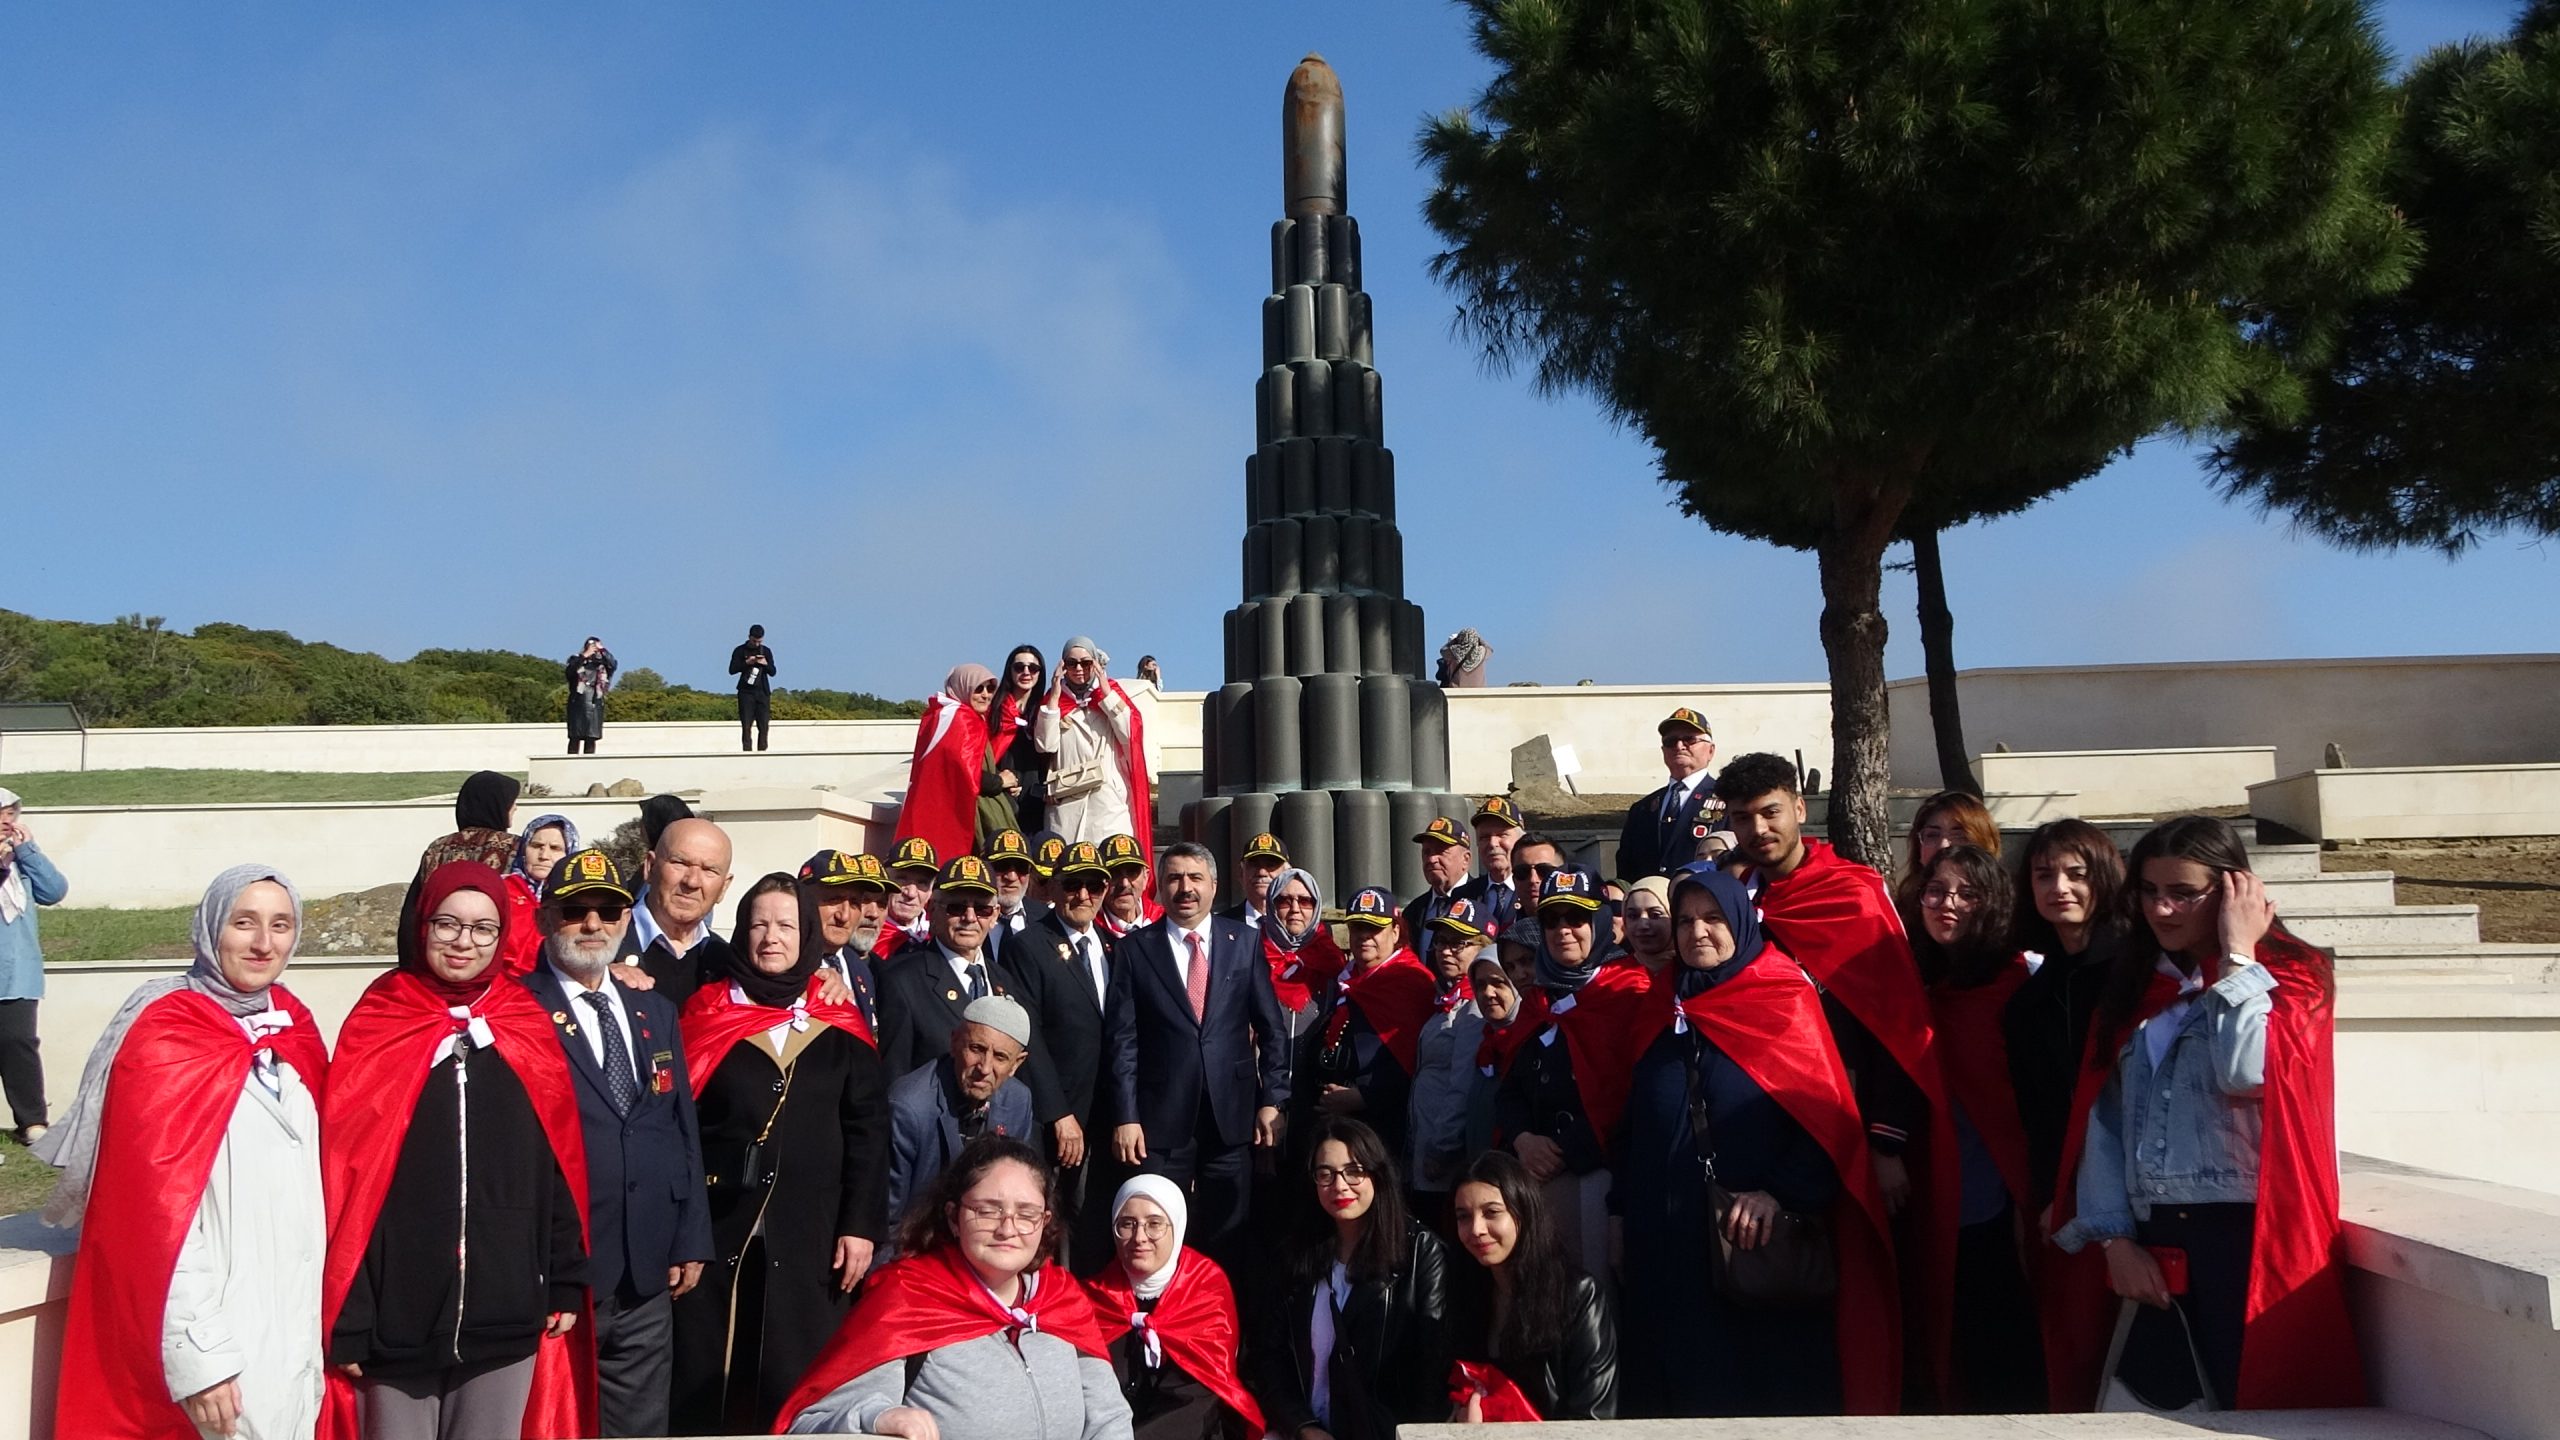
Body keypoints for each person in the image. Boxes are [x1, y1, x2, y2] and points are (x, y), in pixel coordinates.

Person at [2053, 816, 2363, 1412]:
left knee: (2258, 1404)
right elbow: (2105, 1121)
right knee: (2156, 1410)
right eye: (2149, 891)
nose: (2161, 909)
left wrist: (2238, 956)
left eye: (2183, 893)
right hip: (2153, 1235)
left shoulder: (2294, 976)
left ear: (2230, 891)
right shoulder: (2139, 985)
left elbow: (2246, 1071)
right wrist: (2114, 1238)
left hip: (2247, 1235)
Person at [35, 864, 327, 1440]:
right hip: (218, 1350)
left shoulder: (292, 1027)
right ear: (211, 927)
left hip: (293, 1335)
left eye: (281, 925)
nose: (264, 943)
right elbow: (151, 1217)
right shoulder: (167, 1033)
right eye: (244, 923)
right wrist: (201, 1357)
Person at [1614, 864, 1897, 1418]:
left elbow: (1829, 1119)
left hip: (1748, 1248)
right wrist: (1618, 1212)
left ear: (1741, 922)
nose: (1697, 931)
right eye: (1686, 920)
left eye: (1714, 918)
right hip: (1665, 1248)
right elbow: (1633, 1124)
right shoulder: (1661, 1005)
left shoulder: (1781, 998)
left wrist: (1779, 1192)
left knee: (1754, 1395)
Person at [1718, 749, 1958, 1400]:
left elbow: (1898, 1025)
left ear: (1800, 808)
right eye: (1743, 818)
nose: (1759, 829)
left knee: (1860, 1290)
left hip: (1852, 1126)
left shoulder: (1852, 893)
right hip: (1773, 1127)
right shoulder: (1736, 902)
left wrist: (1887, 1141)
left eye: (1770, 812)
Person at [323, 861, 591, 1440]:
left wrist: (566, 1277)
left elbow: (558, 1163)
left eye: (483, 928)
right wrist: (351, 1314)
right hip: (396, 1320)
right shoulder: (380, 1019)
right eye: (447, 924)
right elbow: (346, 1179)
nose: (464, 941)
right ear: (422, 926)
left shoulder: (524, 1022)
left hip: (505, 1312)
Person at [672, 873, 889, 1433]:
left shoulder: (839, 1018)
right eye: (759, 924)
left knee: (791, 1385)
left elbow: (867, 1131)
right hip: (718, 1235)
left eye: (786, 926)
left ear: (808, 934)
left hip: (812, 1237)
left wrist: (860, 1226)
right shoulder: (704, 1012)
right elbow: (677, 1132)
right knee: (707, 1388)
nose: (771, 937)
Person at [518, 847, 711, 1437]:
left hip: (646, 1271)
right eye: (575, 911)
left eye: (608, 910)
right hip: (560, 1273)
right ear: (545, 918)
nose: (593, 924)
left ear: (627, 919)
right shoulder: (519, 1010)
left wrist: (691, 1236)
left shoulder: (653, 1007)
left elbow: (678, 1127)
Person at [775, 1135, 1132, 1440]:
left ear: (1044, 1222)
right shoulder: (907, 1302)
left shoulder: (1063, 1302)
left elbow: (1108, 1419)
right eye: (987, 1210)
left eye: (1026, 1214)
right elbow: (812, 1424)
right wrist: (877, 1419)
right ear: (953, 1217)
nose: (1007, 1229)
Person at [1104, 841, 1290, 1264]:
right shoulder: (1135, 950)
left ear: (1214, 886)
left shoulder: (1244, 942)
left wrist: (1273, 1099)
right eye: (1174, 878)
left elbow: (1272, 1030)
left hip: (1232, 1120)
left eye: (1195, 878)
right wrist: (1126, 1116)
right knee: (1156, 1235)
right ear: (1159, 887)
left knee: (1230, 1238)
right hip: (1159, 1124)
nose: (1185, 888)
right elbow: (1122, 1041)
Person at [1909, 845, 2047, 1413]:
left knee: (2004, 1344)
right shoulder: (1914, 979)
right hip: (1930, 1189)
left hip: (2001, 1194)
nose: (1948, 904)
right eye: (1937, 891)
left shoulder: (2023, 980)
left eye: (1968, 894)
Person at [2003, 818, 2132, 1408]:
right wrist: (2050, 1195)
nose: (2060, 887)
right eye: (2044, 874)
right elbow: (2039, 1114)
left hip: (2142, 1194)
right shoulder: (2030, 998)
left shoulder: (2137, 974)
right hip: (2064, 1197)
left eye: (2077, 874)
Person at [1495, 870, 1651, 1289]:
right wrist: (1523, 1139)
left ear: (1598, 922)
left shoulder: (1631, 992)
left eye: (1576, 918)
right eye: (1552, 920)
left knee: (1593, 1295)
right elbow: (1509, 1088)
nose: (1563, 930)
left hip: (1600, 1177)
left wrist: (1563, 1150)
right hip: (1533, 1174)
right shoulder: (1536, 1001)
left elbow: (1632, 1096)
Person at [1247, 1117, 1451, 1440]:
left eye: (1354, 1171)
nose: (1339, 1185)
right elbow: (1269, 1357)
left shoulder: (1420, 1252)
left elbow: (1430, 1371)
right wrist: (1302, 1426)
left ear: (1377, 1174)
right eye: (1325, 1174)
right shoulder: (1297, 1253)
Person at [1084, 1176, 1263, 1439]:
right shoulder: (1095, 1296)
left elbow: (1199, 1400)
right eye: (1127, 1224)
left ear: (1176, 1227)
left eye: (1154, 1224)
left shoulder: (1205, 1290)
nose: (1139, 1237)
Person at [1009, 840, 1121, 1260]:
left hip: (1106, 1114)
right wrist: (1058, 1112)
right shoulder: (1029, 945)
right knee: (1052, 1220)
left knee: (1096, 1219)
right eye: (1073, 884)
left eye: (1094, 885)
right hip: (1057, 1117)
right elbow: (1029, 1034)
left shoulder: (1113, 946)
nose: (1084, 895)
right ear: (1054, 887)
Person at [1446, 1150, 1616, 1421]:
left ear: (1523, 1213)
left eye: (1491, 1212)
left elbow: (1594, 1417)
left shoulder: (1578, 1295)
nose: (1476, 1228)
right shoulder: (1464, 1291)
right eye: (1463, 1216)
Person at [1310, 876, 1439, 1171]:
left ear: (1395, 931)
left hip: (1383, 1128)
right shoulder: (1344, 979)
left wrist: (1363, 1097)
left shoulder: (1413, 982)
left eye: (1374, 928)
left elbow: (1416, 1062)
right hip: (1334, 1123)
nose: (1364, 936)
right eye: (1357, 927)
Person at [888, 994, 1040, 1231]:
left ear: (1016, 1064)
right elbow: (888, 1218)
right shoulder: (909, 1107)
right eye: (977, 1049)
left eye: (1000, 1057)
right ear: (954, 1042)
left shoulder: (1018, 1101)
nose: (984, 1068)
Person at [1035, 636, 1152, 856]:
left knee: (1112, 863)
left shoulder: (1110, 695)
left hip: (1106, 802)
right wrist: (1055, 697)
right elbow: (1044, 745)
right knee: (1069, 867)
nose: (1079, 669)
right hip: (1067, 801)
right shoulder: (1053, 701)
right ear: (1063, 666)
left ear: (1095, 664)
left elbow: (1130, 734)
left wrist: (1106, 693)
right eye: (1071, 663)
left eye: (1086, 663)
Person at [1408, 902, 1489, 1217]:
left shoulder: (1475, 1007)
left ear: (1482, 947)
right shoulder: (1448, 999)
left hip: (1444, 1161)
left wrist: (1441, 1148)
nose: (1445, 951)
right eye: (1441, 941)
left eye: (1458, 943)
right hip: (1425, 1145)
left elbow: (1462, 1084)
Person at [898, 663, 1018, 866]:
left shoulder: (947, 715)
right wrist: (1000, 781)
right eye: (978, 688)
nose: (986, 695)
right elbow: (962, 775)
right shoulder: (960, 719)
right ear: (963, 687)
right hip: (962, 818)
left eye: (990, 688)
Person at [612, 816, 736, 1005]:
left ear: (724, 887)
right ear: (650, 867)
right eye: (680, 863)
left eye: (709, 870)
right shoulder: (599, 943)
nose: (692, 882)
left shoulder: (728, 966)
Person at [0, 790, 66, 1145]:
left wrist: (28, 852)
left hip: (17, 973)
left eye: (10, 813)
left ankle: (32, 1121)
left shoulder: (21, 860)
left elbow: (54, 891)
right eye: (0, 814)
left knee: (19, 1043)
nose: (6, 821)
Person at [1615, 707, 1719, 884]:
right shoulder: (1642, 808)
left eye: (1689, 739)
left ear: (1710, 751)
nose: (1679, 746)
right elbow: (1626, 869)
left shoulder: (1728, 799)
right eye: (1671, 741)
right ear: (1663, 750)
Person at [800, 848, 889, 1031]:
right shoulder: (784, 965)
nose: (844, 916)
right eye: (833, 900)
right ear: (803, 901)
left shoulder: (860, 967)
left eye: (855, 902)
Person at [501, 813, 580, 977]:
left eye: (555, 848)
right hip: (508, 982)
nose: (543, 856)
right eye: (536, 846)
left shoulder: (578, 897)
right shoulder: (500, 890)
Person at [1896, 790, 2004, 911]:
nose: (1943, 846)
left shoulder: (2010, 912)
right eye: (1932, 835)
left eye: (1959, 836)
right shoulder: (1898, 916)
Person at [995, 645, 1053, 833]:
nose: (1026, 672)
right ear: (1010, 671)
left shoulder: (1046, 711)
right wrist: (999, 780)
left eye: (1033, 668)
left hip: (1036, 801)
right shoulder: (995, 710)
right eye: (1019, 667)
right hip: (1001, 797)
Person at [1453, 795, 1526, 937]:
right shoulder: (1463, 896)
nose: (1492, 843)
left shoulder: (1534, 889)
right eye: (1484, 837)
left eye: (1502, 835)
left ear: (1521, 840)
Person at [1401, 815, 1475, 938]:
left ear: (1465, 860)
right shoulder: (1414, 911)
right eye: (1427, 852)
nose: (1431, 859)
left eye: (1441, 851)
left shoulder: (1481, 900)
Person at [877, 837, 940, 960]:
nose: (911, 893)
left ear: (931, 892)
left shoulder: (941, 936)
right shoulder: (866, 934)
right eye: (902, 879)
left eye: (922, 882)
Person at [986, 827, 1044, 949]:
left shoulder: (1046, 918)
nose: (1012, 877)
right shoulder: (967, 918)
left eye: (1021, 867)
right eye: (1001, 866)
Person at [1218, 831, 1290, 928]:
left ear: (1287, 874)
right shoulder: (1221, 925)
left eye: (1271, 865)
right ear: (1241, 873)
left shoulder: (1298, 923)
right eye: (1254, 865)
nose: (1262, 872)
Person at [1098, 833, 1159, 939]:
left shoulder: (1163, 919)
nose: (1124, 884)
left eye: (1132, 872)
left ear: (1145, 877)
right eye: (1114, 874)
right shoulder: (1090, 929)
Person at [1619, 875, 1675, 986]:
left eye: (1655, 915)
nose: (1642, 925)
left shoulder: (1697, 977)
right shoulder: (1606, 978)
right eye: (1633, 916)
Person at [566, 636, 617, 755]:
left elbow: (613, 665)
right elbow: (569, 672)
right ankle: (570, 761)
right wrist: (584, 655)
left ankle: (588, 761)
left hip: (595, 701)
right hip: (577, 702)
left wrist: (603, 650)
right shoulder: (576, 659)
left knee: (591, 736)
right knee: (575, 736)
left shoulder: (603, 664)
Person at [730, 624, 777, 752]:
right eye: (754, 641)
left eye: (759, 641)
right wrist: (747, 663)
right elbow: (732, 670)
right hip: (746, 692)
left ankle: (762, 752)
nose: (756, 644)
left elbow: (773, 672)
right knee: (746, 725)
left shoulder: (766, 651)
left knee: (764, 725)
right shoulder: (739, 650)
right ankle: (747, 752)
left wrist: (765, 664)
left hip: (763, 692)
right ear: (749, 637)